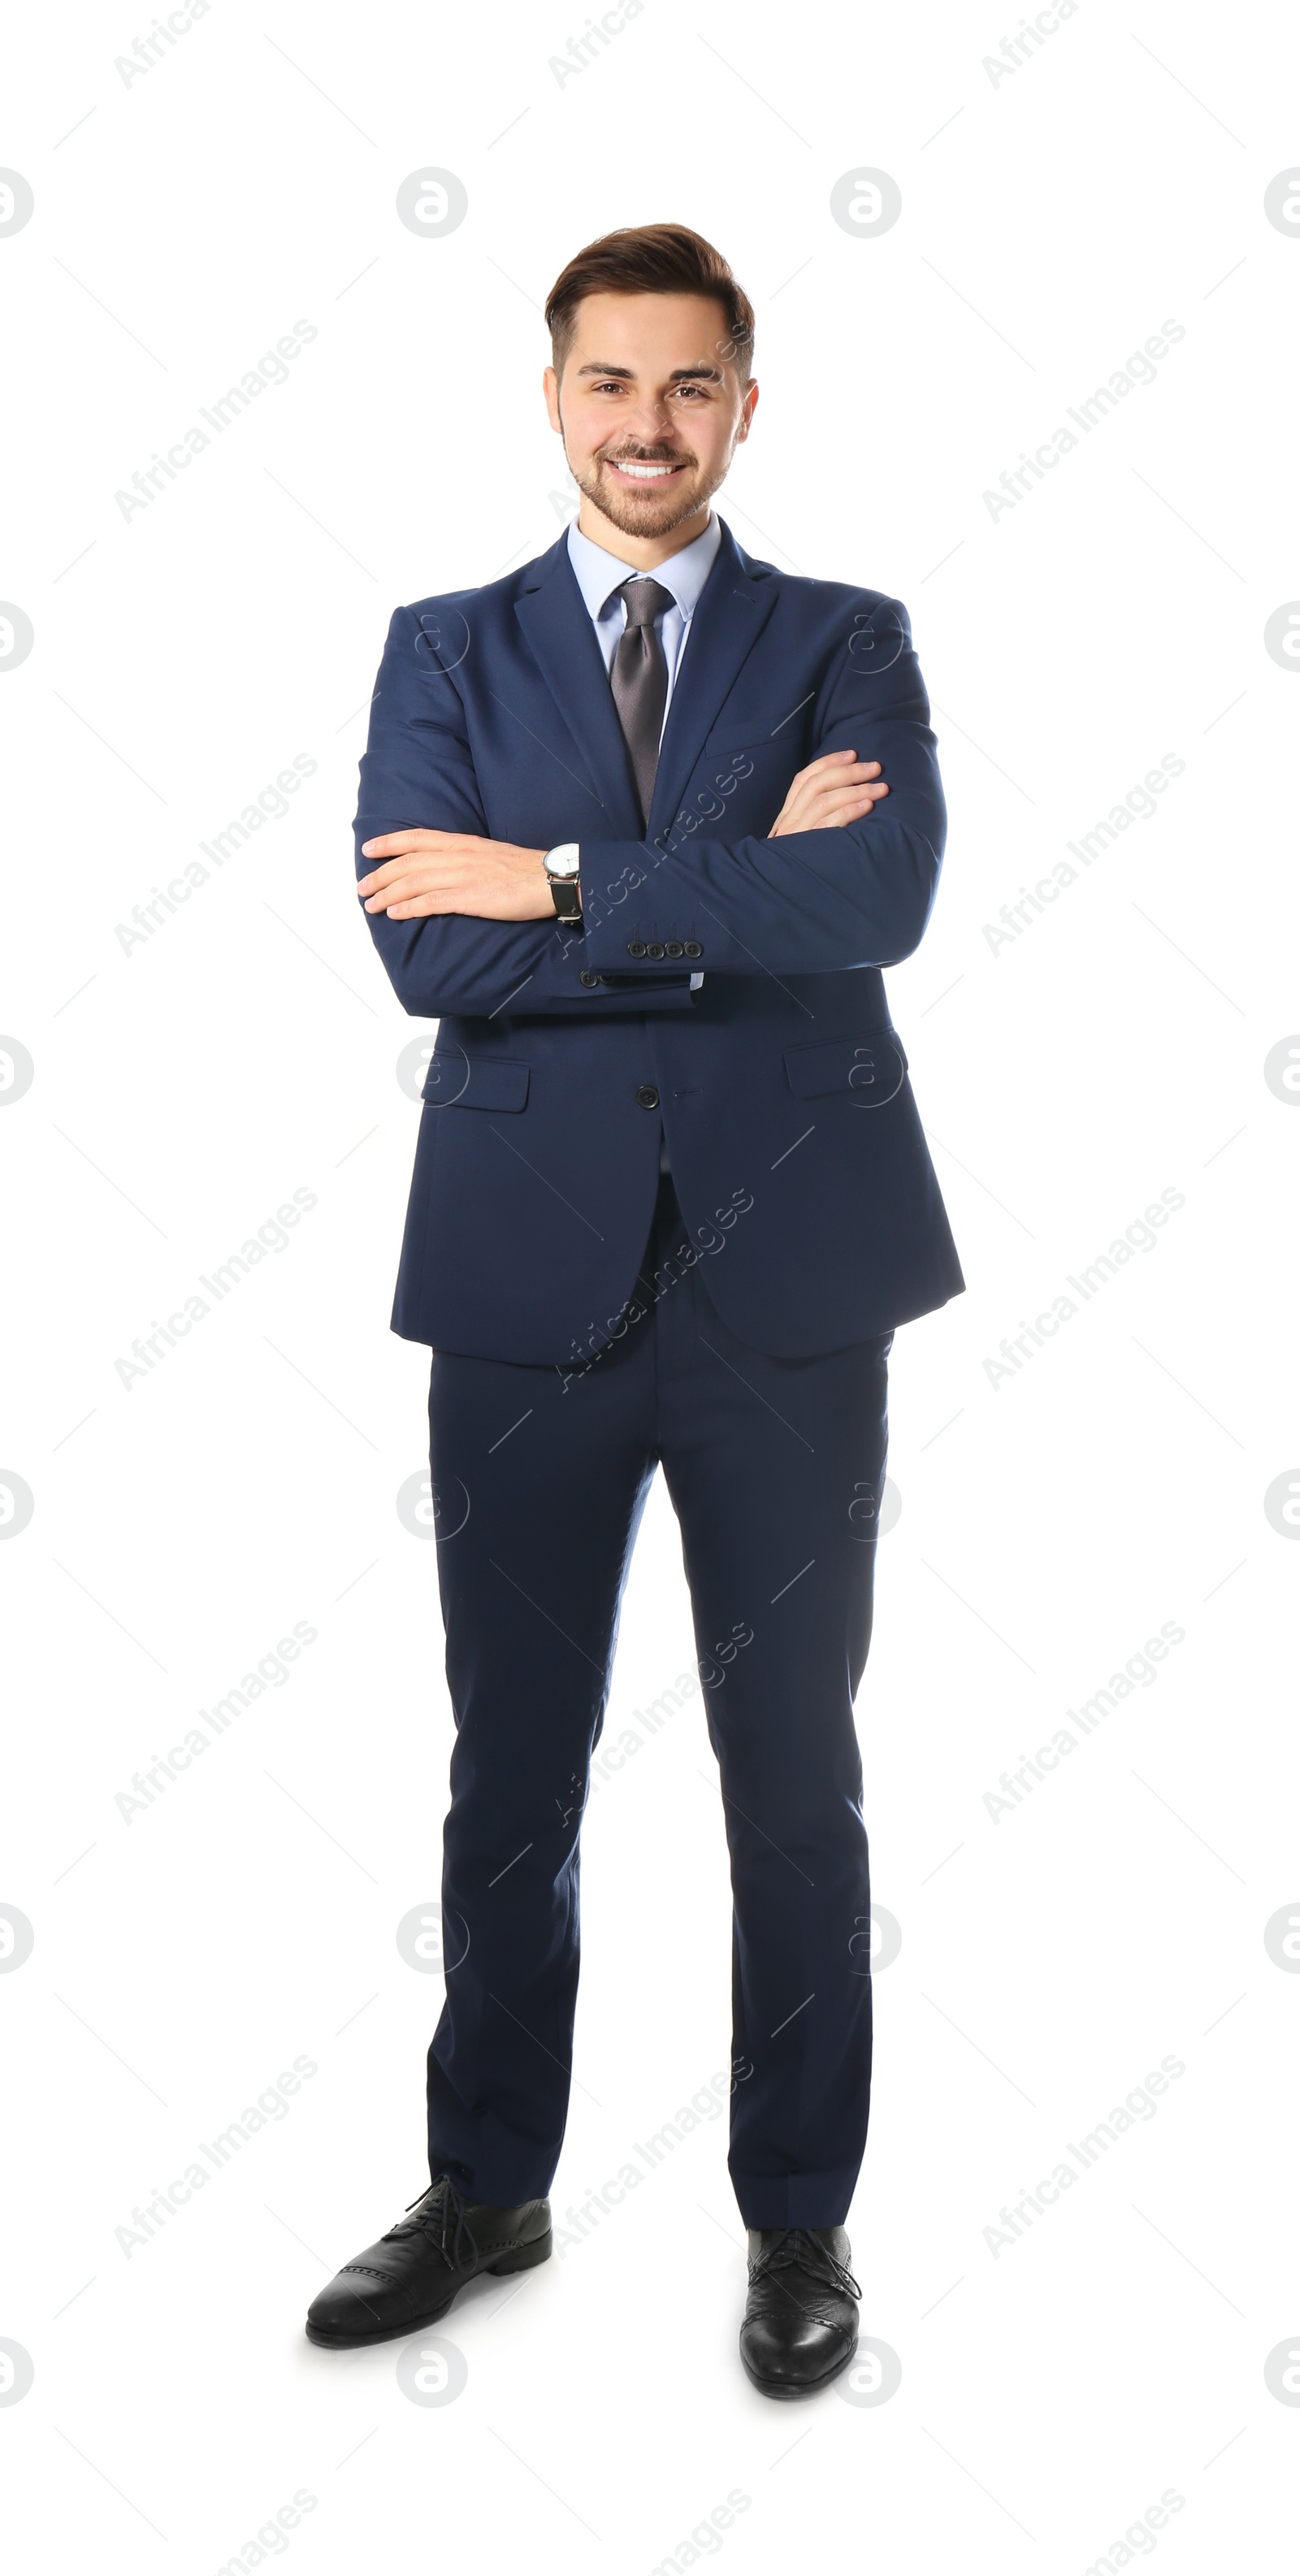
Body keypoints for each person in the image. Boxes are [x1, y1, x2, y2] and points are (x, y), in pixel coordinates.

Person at [306, 222, 964, 2396]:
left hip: (790, 1281)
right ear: (556, 395)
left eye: (692, 387)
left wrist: (568, 876)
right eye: (613, 383)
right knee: (511, 1766)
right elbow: (429, 946)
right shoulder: (443, 650)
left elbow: (877, 896)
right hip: (522, 1288)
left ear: (744, 405)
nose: (649, 426)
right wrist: (724, 886)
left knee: (797, 1776)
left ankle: (801, 2221)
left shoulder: (844, 638)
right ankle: (488, 2180)